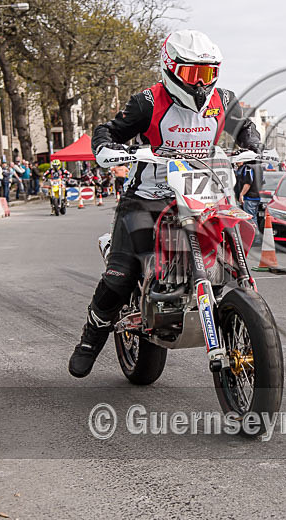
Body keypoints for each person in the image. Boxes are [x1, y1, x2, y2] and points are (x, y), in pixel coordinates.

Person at [68, 29, 261, 378]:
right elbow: (109, 130)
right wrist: (108, 149)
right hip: (148, 197)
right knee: (120, 275)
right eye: (192, 74)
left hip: (205, 191)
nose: (200, 83)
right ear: (170, 69)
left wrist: (252, 146)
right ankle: (89, 339)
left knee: (235, 237)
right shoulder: (147, 101)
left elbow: (245, 127)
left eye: (207, 73)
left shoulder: (224, 98)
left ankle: (242, 304)